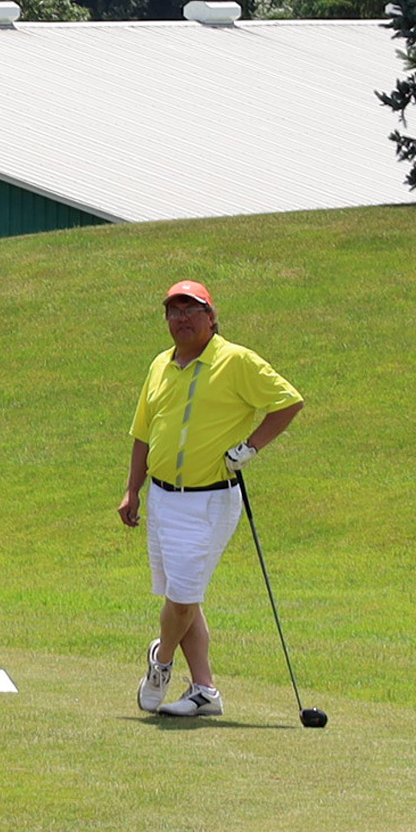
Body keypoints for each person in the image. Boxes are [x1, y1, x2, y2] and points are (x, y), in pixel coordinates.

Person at [116, 277, 304, 719]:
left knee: (182, 598)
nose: (181, 318)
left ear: (211, 316)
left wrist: (249, 448)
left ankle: (161, 660)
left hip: (210, 499)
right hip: (163, 498)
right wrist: (132, 489)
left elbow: (288, 402)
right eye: (174, 311)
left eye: (191, 310)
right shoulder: (160, 364)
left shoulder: (235, 360)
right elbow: (143, 432)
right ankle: (205, 691)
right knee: (184, 595)